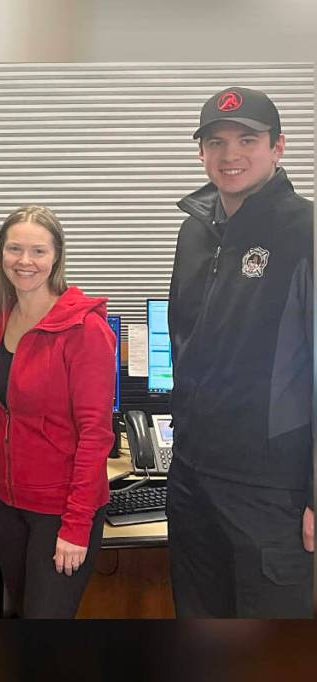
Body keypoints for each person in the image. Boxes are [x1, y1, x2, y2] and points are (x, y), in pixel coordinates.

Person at [166, 87, 314, 617]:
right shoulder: (194, 234)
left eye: (247, 139)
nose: (230, 154)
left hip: (270, 491)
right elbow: (184, 345)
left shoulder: (304, 232)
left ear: (278, 147)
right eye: (216, 141)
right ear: (201, 152)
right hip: (191, 479)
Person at [0, 205, 114, 618]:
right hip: (6, 503)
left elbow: (95, 434)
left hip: (60, 510)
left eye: (38, 251)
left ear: (56, 257)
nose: (25, 261)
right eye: (14, 249)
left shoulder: (84, 329)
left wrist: (77, 524)